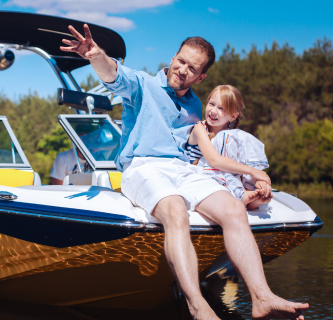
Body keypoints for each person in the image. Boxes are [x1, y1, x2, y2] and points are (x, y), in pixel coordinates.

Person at [61, 24, 309, 319]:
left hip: (180, 169)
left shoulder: (193, 105)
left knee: (233, 210)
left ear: (201, 76)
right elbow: (113, 74)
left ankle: (262, 297)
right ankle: (197, 305)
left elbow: (207, 153)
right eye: (180, 61)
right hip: (142, 166)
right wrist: (95, 55)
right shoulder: (142, 84)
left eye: (192, 68)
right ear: (174, 56)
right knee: (175, 211)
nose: (182, 70)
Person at [187, 85, 273, 209]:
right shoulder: (199, 128)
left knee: (244, 138)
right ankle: (242, 196)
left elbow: (243, 159)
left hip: (226, 177)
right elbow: (214, 161)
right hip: (201, 176)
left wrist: (260, 178)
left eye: (222, 108)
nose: (213, 111)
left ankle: (253, 190)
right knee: (227, 150)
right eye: (211, 104)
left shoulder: (232, 134)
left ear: (233, 116)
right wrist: (252, 171)